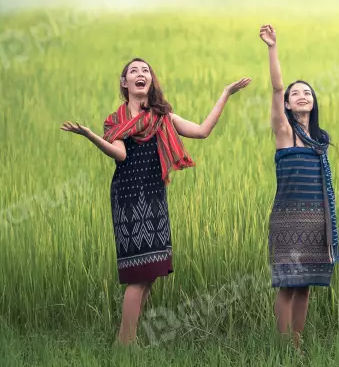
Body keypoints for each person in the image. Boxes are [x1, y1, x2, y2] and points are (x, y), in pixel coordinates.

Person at [61, 57, 251, 345]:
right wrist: (91, 136)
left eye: (145, 70)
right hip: (129, 195)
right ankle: (124, 343)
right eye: (133, 71)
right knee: (138, 273)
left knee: (150, 271)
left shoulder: (163, 115)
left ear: (151, 80)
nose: (141, 74)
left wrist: (225, 94)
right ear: (125, 83)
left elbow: (202, 131)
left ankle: (129, 339)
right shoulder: (116, 120)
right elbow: (120, 154)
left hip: (154, 195)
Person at [259, 24, 339, 352]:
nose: (302, 96)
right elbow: (277, 89)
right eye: (297, 94)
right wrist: (272, 48)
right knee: (287, 285)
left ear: (313, 102)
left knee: (305, 285)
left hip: (316, 220)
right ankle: (282, 346)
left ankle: (297, 343)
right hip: (289, 219)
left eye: (307, 92)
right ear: (289, 106)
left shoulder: (319, 142)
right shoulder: (284, 132)